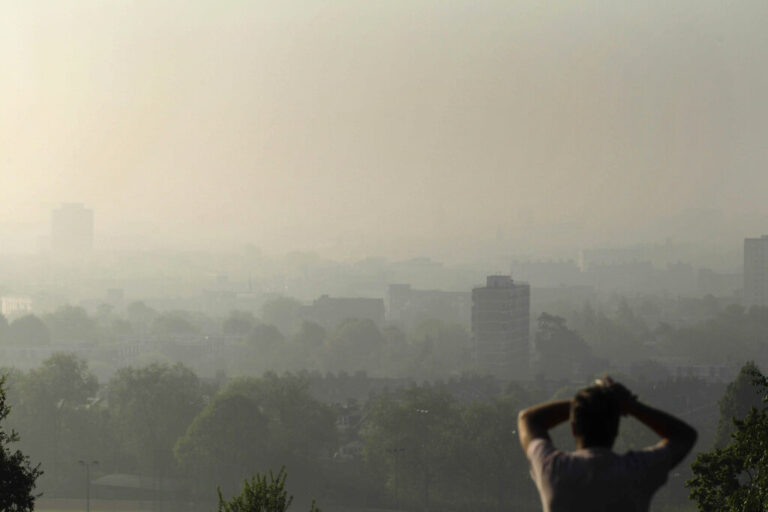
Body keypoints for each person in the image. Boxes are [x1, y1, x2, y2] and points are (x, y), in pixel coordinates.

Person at [517, 377, 697, 512]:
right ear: (616, 429)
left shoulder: (553, 469)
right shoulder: (637, 471)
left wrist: (584, 403)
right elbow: (684, 436)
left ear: (573, 427)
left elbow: (528, 418)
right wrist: (628, 405)